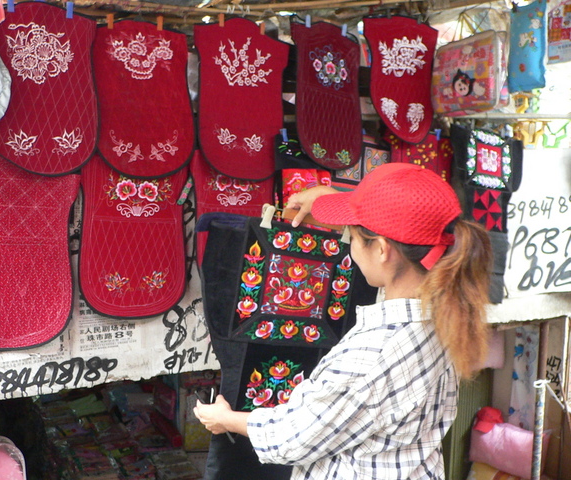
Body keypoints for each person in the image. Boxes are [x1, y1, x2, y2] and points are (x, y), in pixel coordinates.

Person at [194, 162, 492, 479]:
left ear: (381, 249)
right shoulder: (446, 314)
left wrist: (226, 420)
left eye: (352, 234)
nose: (348, 242)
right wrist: (334, 203)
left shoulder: (371, 353)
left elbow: (293, 437)